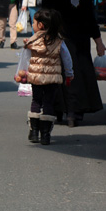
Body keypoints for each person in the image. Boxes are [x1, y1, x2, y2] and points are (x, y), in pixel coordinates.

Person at [41, 0, 106, 127]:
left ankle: (57, 110)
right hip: (79, 41)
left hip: (58, 36)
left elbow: (44, 12)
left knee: (58, 73)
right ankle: (74, 113)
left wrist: (44, 33)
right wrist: (98, 41)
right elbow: (89, 18)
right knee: (76, 73)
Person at [23, 8, 73, 145]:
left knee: (36, 101)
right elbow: (67, 59)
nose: (32, 25)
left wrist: (23, 72)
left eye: (33, 22)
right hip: (52, 79)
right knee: (48, 103)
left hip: (36, 77)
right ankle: (45, 135)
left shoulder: (33, 40)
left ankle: (34, 132)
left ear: (40, 25)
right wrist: (69, 74)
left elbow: (26, 58)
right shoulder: (59, 41)